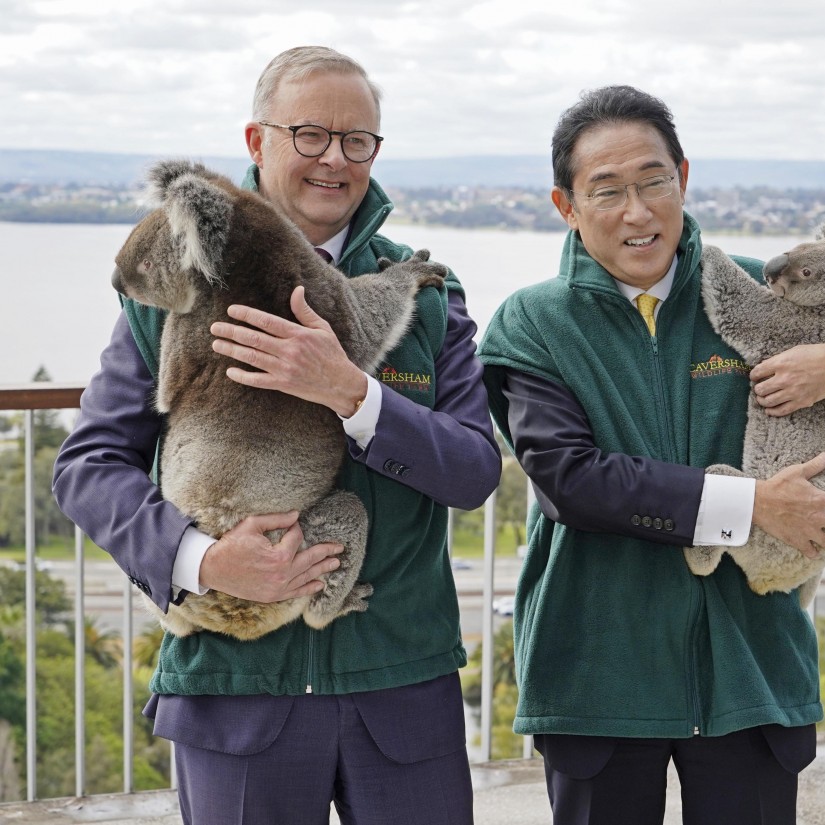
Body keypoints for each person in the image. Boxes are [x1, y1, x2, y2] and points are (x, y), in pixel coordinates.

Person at [53, 46, 501, 825]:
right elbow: (88, 466)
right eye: (310, 133)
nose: (335, 157)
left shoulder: (425, 294)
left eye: (357, 139)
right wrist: (202, 559)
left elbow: (471, 471)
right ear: (257, 142)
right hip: (234, 694)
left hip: (399, 687)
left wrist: (353, 393)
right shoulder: (175, 284)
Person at [477, 85, 825, 825]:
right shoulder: (533, 323)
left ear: (684, 178)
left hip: (751, 665)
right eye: (606, 191)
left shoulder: (762, 289)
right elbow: (569, 481)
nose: (637, 212)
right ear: (565, 204)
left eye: (654, 182)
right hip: (597, 670)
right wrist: (754, 506)